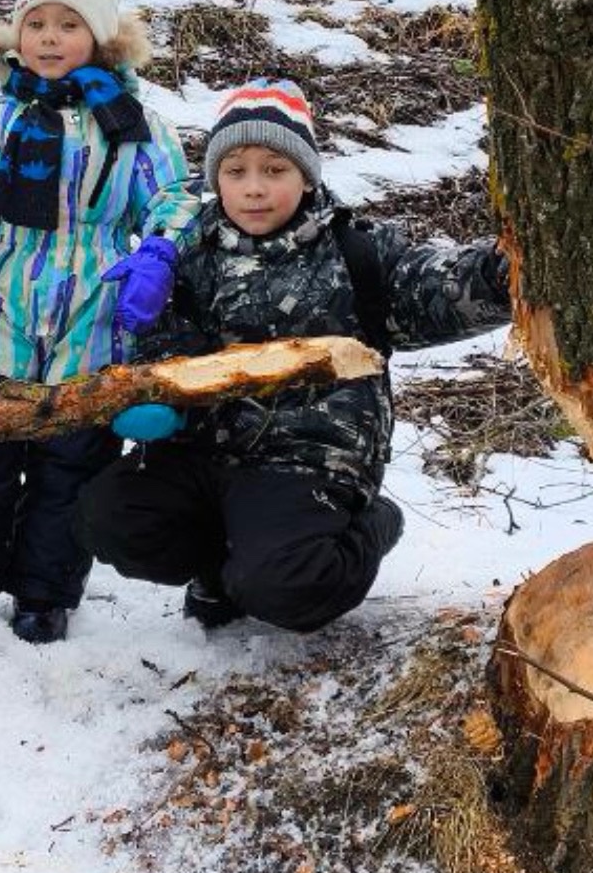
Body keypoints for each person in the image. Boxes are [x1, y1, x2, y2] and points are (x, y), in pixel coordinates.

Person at [75, 78, 513, 633]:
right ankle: (217, 568)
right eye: (236, 172)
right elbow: (158, 342)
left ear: (306, 175)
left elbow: (439, 285)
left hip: (309, 461)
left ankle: (368, 527)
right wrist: (157, 391)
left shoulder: (356, 252)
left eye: (274, 170)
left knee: (288, 586)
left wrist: (507, 270)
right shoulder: (185, 254)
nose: (254, 188)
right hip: (207, 454)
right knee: (110, 514)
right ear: (216, 180)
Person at [0, 0, 199, 645]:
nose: (49, 38)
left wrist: (157, 253)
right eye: (36, 22)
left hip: (93, 315)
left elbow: (174, 199)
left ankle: (45, 594)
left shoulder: (132, 122)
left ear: (100, 37)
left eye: (69, 24)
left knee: (72, 464)